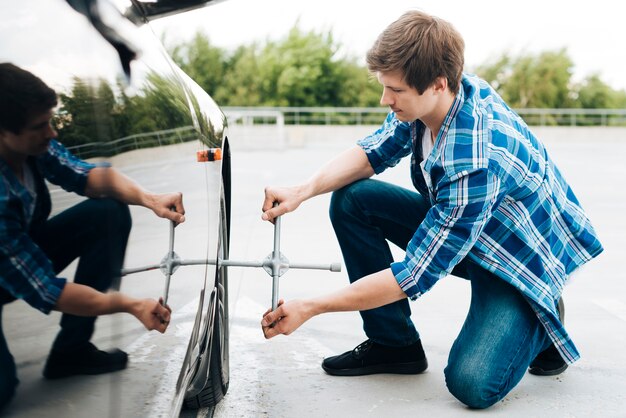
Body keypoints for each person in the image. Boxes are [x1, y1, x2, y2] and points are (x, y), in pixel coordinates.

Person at [259, 10, 603, 409]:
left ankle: (542, 312)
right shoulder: (437, 98)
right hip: (473, 231)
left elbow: (415, 274)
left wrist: (312, 306)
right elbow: (374, 151)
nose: (385, 100)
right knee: (354, 200)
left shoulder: (473, 160)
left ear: (437, 85)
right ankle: (394, 345)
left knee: (472, 384)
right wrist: (303, 190)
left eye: (396, 91)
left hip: (519, 260)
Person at [0, 63, 183, 409]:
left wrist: (150, 199)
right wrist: (131, 305)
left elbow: (86, 175)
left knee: (107, 213)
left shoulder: (31, 148)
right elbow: (47, 290)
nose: (51, 133)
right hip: (11, 267)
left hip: (17, 257)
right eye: (40, 126)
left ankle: (72, 352)